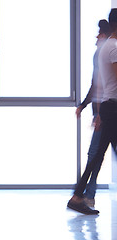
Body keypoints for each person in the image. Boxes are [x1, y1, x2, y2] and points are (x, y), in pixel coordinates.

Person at [68, 9, 117, 215]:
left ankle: (78, 196)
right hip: (113, 107)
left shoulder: (107, 47)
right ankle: (79, 196)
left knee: (97, 155)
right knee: (97, 155)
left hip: (108, 106)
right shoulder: (113, 47)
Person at [75, 19, 111, 208]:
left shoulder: (104, 52)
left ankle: (83, 195)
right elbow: (98, 85)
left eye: (99, 33)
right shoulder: (106, 52)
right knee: (96, 154)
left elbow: (99, 86)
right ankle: (84, 194)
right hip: (105, 111)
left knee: (95, 154)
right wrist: (86, 106)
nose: (96, 37)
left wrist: (96, 112)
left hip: (105, 112)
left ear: (104, 34)